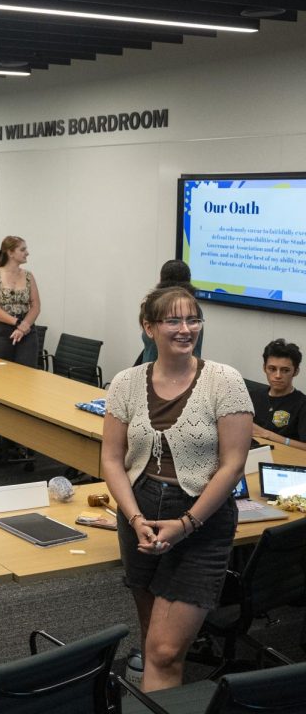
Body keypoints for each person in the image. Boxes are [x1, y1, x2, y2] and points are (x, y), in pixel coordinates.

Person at [102, 285, 252, 693]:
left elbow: (233, 464)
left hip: (201, 520)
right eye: (173, 320)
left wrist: (185, 524)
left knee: (165, 650)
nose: (186, 329)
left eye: (193, 319)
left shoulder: (225, 381)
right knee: (155, 638)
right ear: (149, 327)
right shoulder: (126, 383)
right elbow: (112, 460)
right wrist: (134, 519)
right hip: (140, 516)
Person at [0, 236, 42, 368]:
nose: (27, 253)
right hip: (0, 330)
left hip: (26, 330)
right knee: (0, 371)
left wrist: (24, 325)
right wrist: (16, 322)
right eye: (22, 249)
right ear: (10, 253)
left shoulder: (28, 276)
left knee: (26, 372)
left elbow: (36, 306)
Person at [139, 260, 204, 364]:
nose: (185, 330)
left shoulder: (151, 307)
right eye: (173, 321)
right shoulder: (194, 310)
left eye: (191, 321)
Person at [251, 339, 306, 449]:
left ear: (296, 372)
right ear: (264, 368)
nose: (277, 375)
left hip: (284, 461)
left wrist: (267, 434)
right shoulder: (252, 396)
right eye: (272, 369)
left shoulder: (302, 403)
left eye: (285, 370)